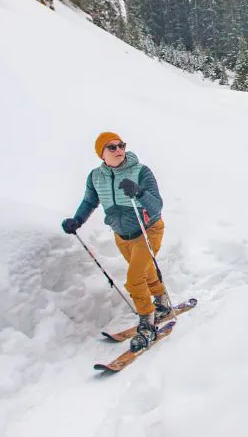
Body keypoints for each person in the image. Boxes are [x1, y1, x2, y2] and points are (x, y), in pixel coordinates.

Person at [62, 131, 171, 351]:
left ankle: (147, 321)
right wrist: (77, 220)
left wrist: (138, 192)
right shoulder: (96, 177)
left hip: (147, 230)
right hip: (122, 235)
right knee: (144, 272)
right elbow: (89, 201)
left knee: (134, 278)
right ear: (101, 154)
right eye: (112, 147)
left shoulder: (141, 171)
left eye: (121, 145)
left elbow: (157, 206)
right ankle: (162, 302)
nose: (119, 150)